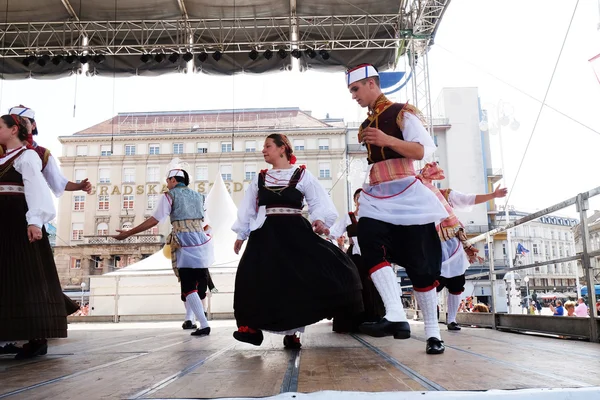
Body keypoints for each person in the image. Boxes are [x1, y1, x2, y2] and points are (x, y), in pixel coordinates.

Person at [346, 64, 449, 354]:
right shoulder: (365, 125)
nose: (353, 96)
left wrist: (388, 140)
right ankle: (395, 314)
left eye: (355, 89)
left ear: (371, 84)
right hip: (378, 194)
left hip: (406, 193)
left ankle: (433, 332)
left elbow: (423, 150)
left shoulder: (402, 111)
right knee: (368, 239)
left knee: (421, 265)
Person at [231, 134, 363, 349]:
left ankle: (293, 333)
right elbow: (248, 208)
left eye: (268, 146)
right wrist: (241, 234)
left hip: (294, 233)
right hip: (265, 234)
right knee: (249, 275)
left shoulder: (303, 175)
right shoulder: (260, 178)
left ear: (282, 148)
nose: (263, 150)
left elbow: (319, 202)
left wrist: (319, 220)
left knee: (295, 282)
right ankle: (249, 328)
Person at [112, 168, 214, 336]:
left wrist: (129, 233)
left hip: (184, 241)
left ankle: (203, 324)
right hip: (202, 242)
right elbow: (206, 222)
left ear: (174, 180)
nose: (167, 184)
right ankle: (197, 321)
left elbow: (154, 220)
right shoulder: (199, 196)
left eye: (168, 180)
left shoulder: (170, 195)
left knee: (188, 285)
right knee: (197, 283)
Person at [0, 114, 67, 359]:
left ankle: (37, 338)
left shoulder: (27, 156)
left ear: (13, 129)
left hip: (19, 220)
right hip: (3, 221)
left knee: (28, 276)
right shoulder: (3, 157)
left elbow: (36, 189)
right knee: (7, 276)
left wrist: (35, 222)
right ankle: (11, 333)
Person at [416, 162, 508, 331]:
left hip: (452, 246)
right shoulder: (416, 199)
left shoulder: (444, 195)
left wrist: (492, 195)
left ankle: (452, 320)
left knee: (456, 283)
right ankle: (432, 321)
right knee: (431, 285)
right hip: (430, 246)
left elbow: (467, 199)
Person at [1, 106, 92, 196]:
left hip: (25, 203)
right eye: (14, 123)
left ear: (33, 125)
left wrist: (79, 186)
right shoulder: (1, 149)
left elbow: (57, 180)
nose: (19, 126)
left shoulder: (42, 154)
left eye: (23, 122)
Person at [329, 188, 385, 332]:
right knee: (354, 286)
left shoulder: (375, 215)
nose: (361, 199)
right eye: (358, 197)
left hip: (373, 254)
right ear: (355, 200)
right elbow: (333, 233)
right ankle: (353, 322)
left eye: (364, 197)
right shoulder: (349, 217)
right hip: (355, 257)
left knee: (374, 285)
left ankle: (374, 319)